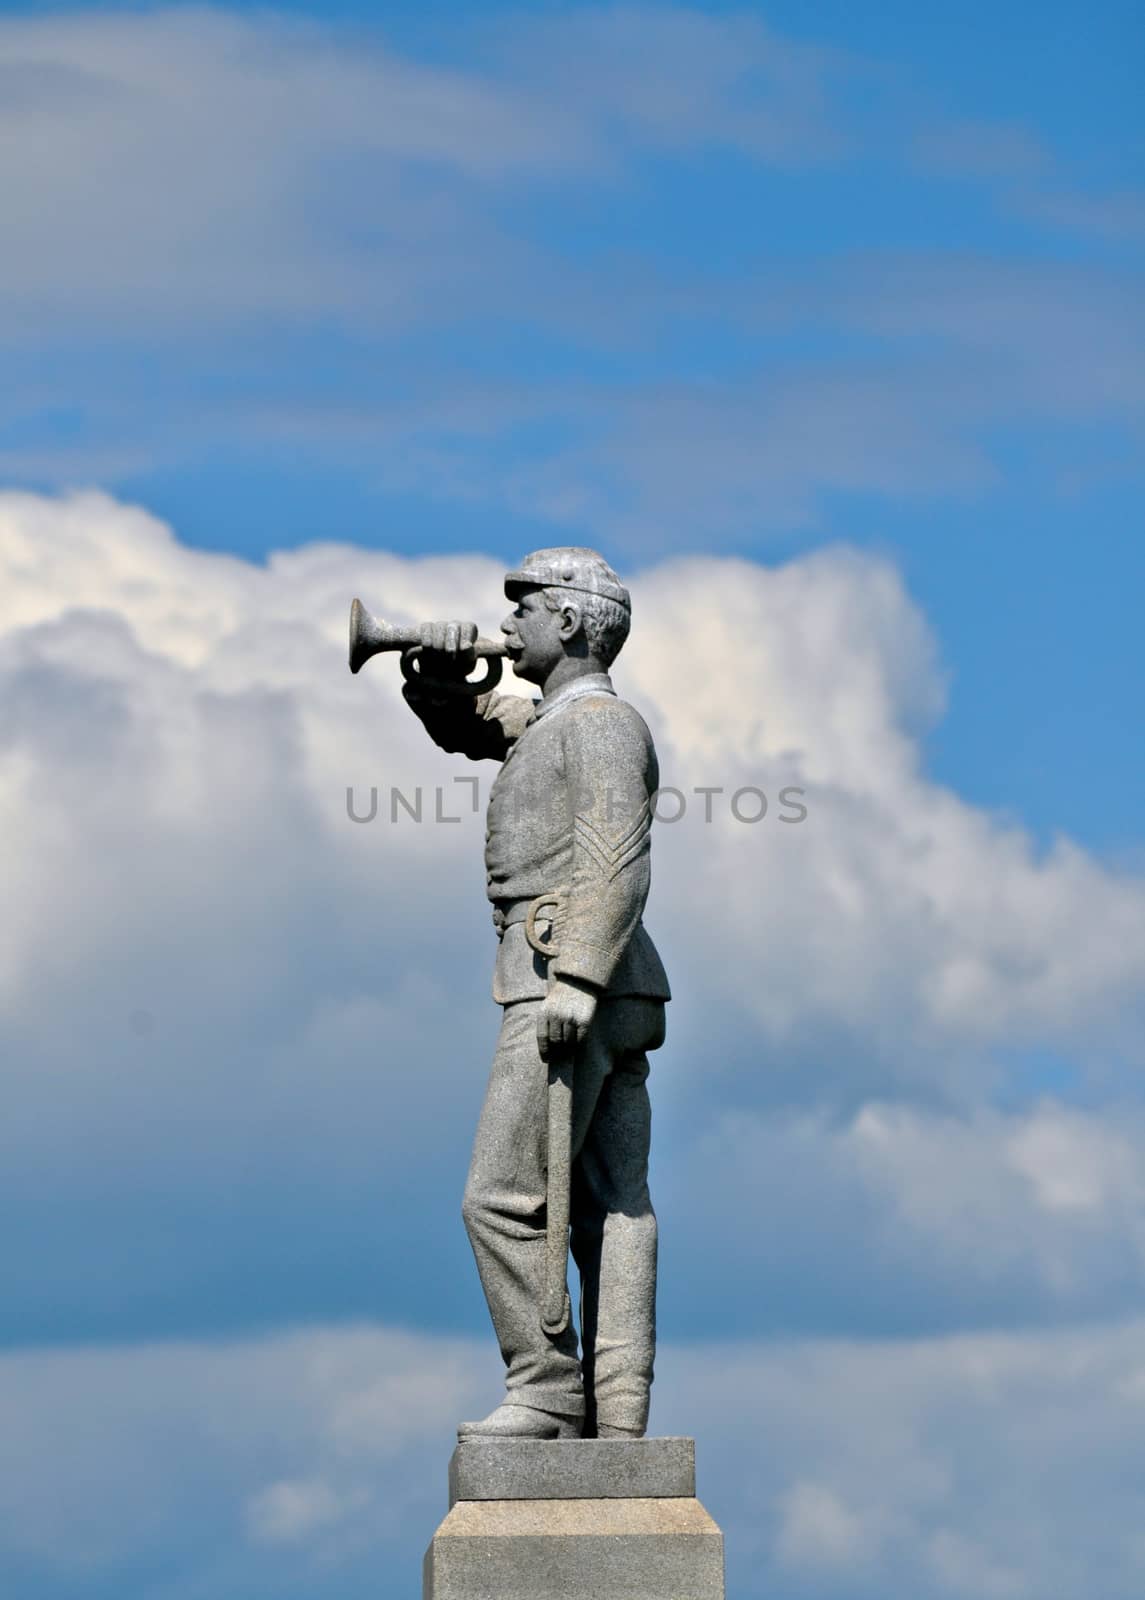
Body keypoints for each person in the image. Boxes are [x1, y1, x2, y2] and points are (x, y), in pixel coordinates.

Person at [403, 548, 670, 1441]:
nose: (508, 622)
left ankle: (548, 1388)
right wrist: (436, 677)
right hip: (574, 974)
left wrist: (580, 977)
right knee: (607, 1203)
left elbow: (615, 860)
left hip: (567, 976)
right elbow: (472, 725)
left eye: (523, 608)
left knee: (502, 1195)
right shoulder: (552, 722)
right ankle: (617, 1409)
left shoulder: (597, 726)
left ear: (569, 622)